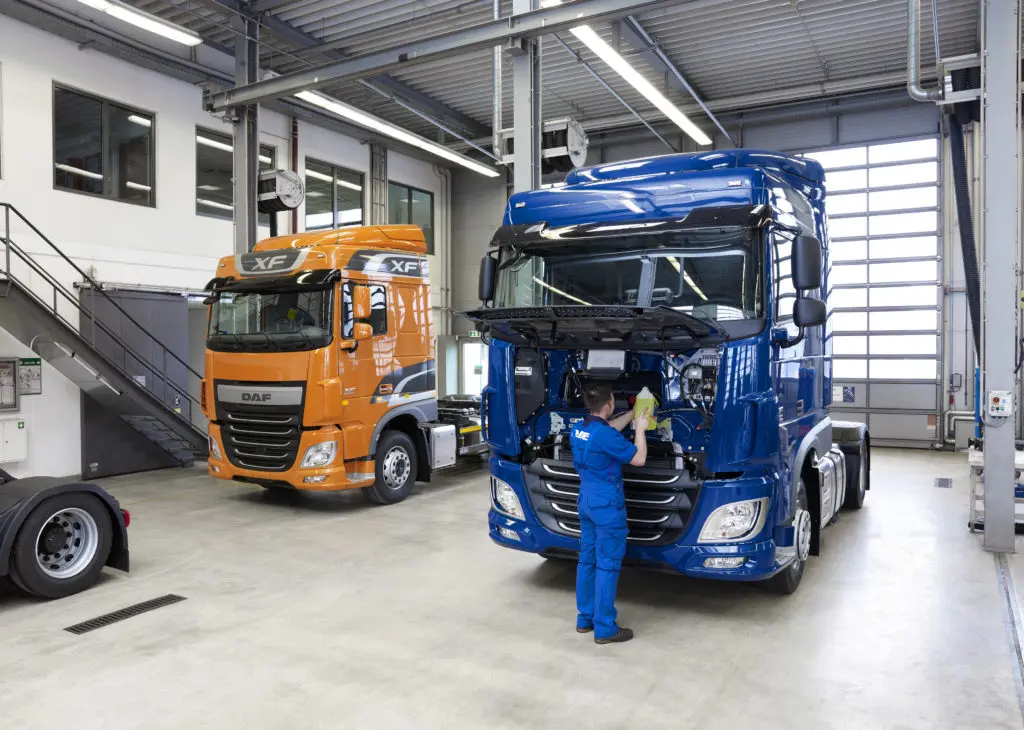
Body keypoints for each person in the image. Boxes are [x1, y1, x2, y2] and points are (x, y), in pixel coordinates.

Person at [570, 382, 649, 645]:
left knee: (587, 560)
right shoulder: (604, 435)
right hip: (606, 505)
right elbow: (638, 458)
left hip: (586, 501)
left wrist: (632, 413)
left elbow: (607, 430)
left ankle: (585, 618)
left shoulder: (579, 429)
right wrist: (640, 429)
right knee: (607, 564)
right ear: (608, 405)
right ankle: (605, 628)